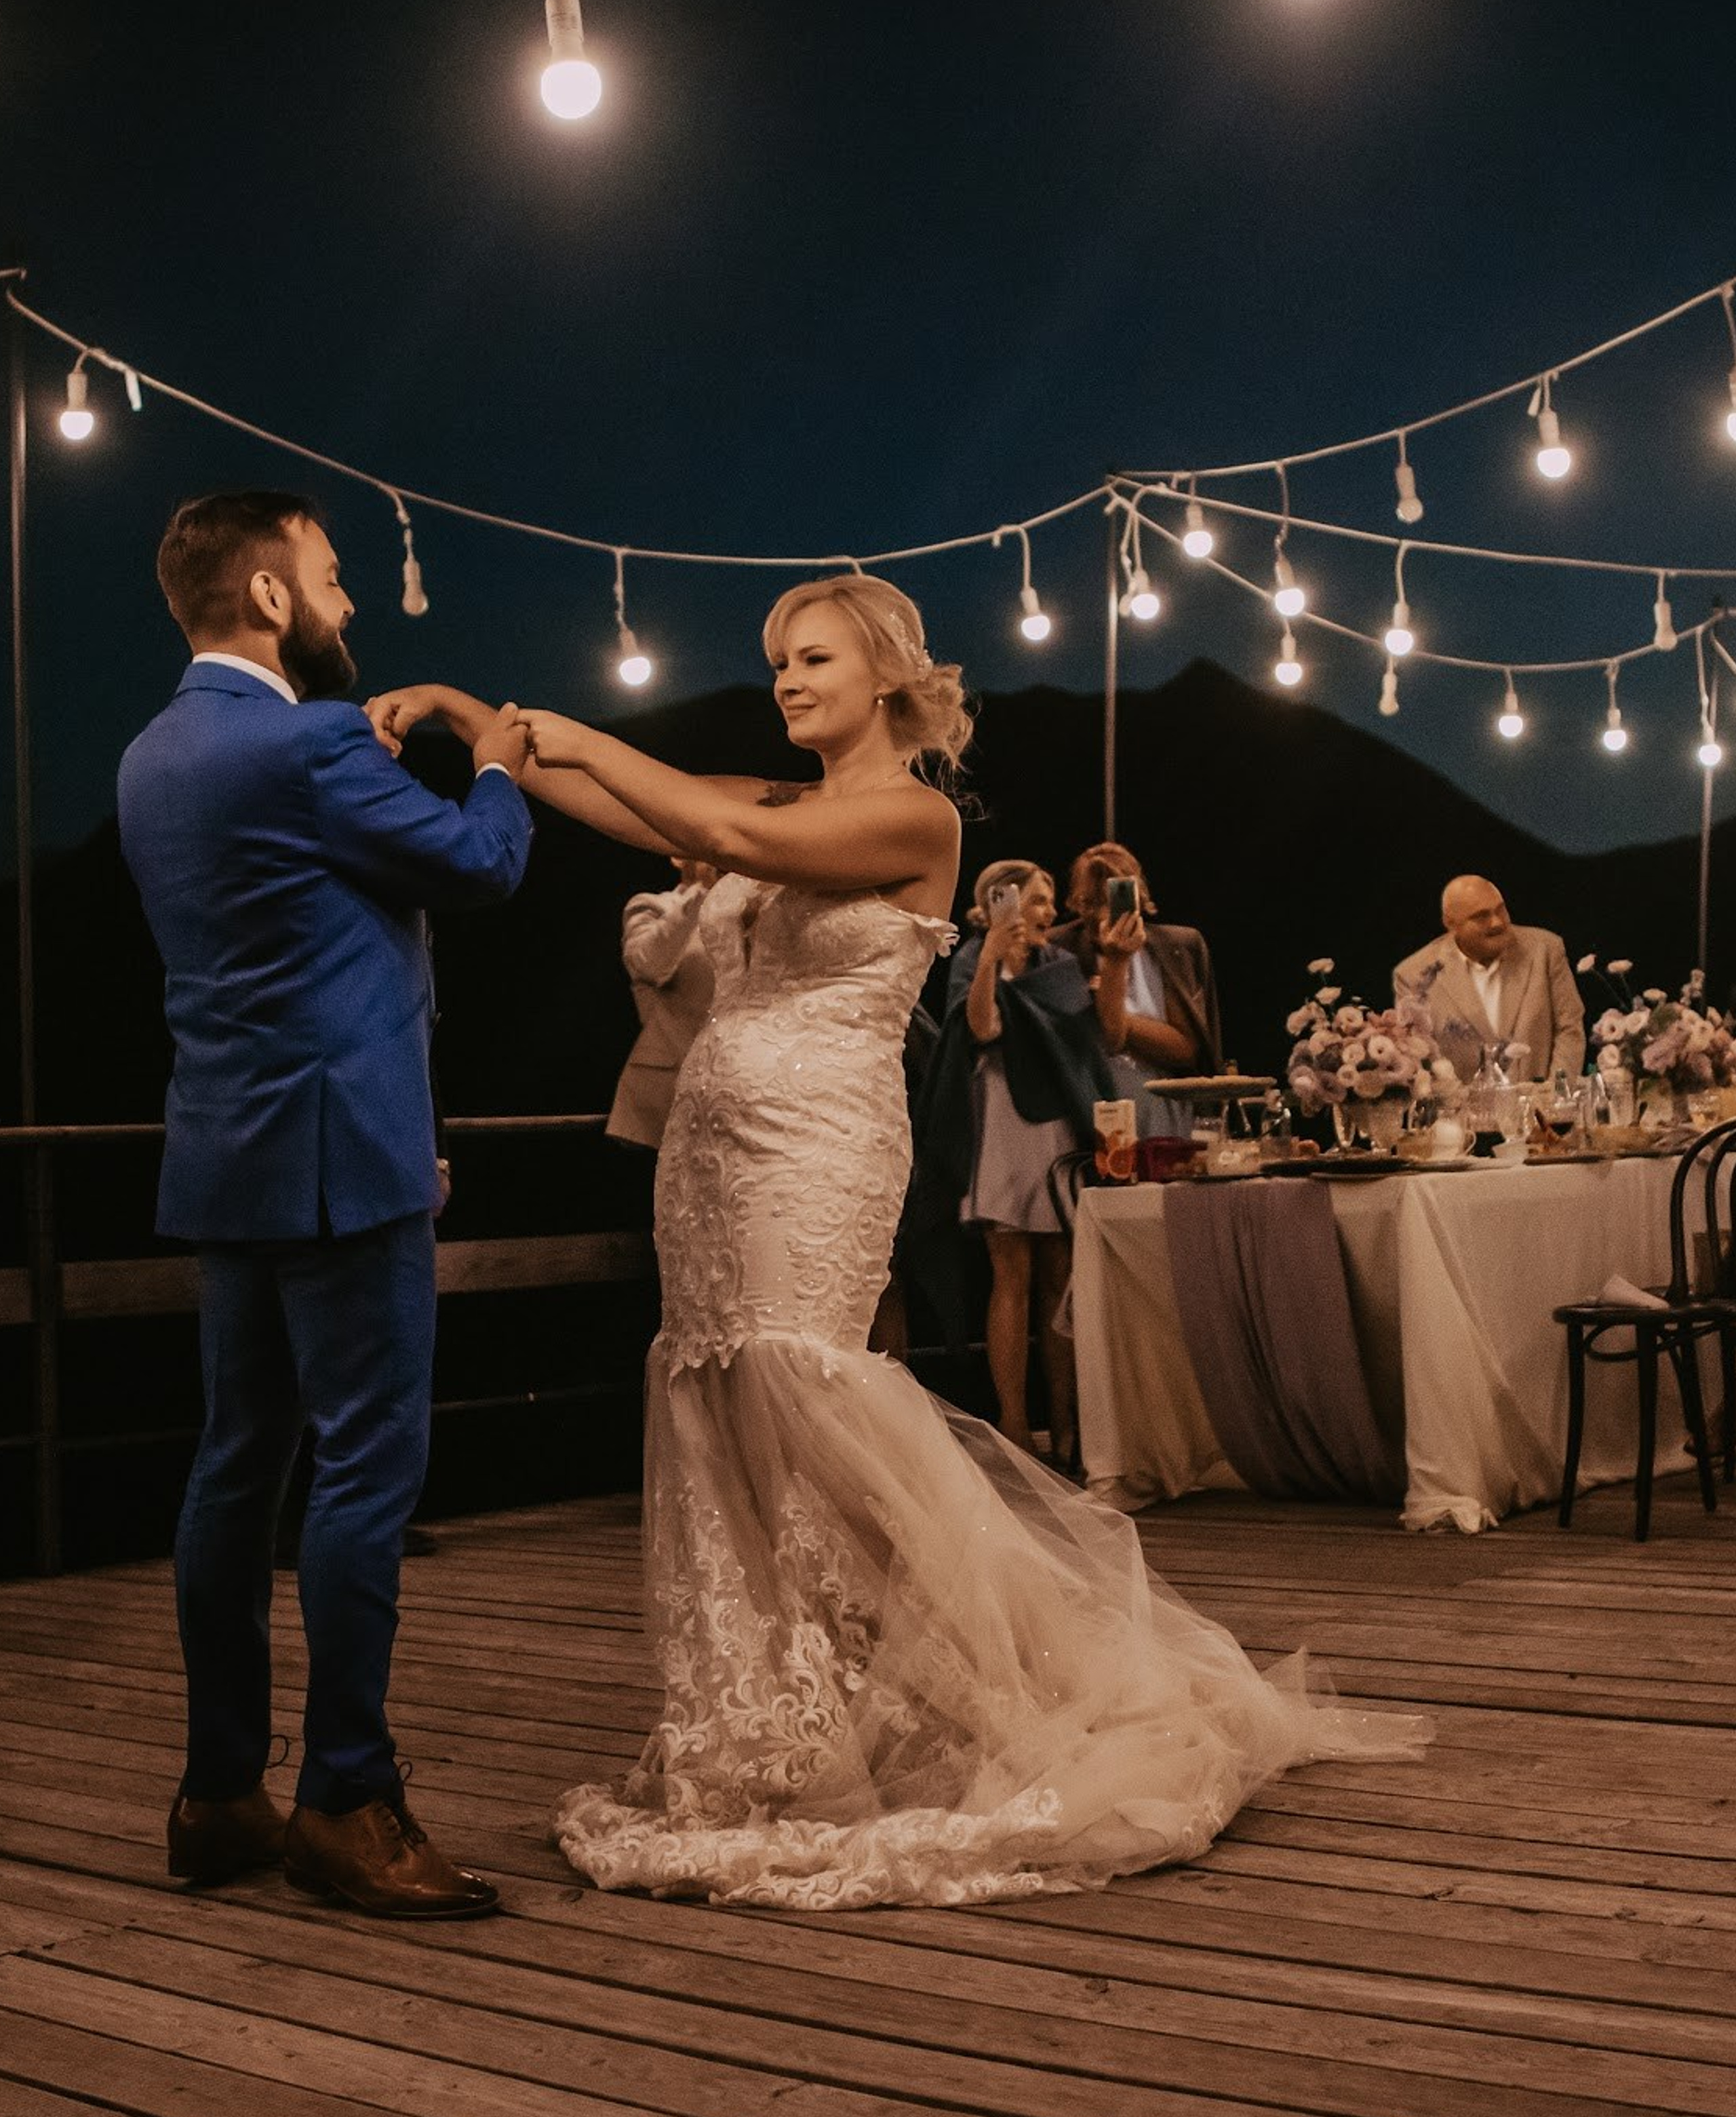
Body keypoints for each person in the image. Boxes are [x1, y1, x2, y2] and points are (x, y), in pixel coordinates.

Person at [369, 572, 1425, 1910]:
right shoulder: (785, 802)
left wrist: (561, 733)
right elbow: (611, 800)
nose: (785, 680)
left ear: (886, 675)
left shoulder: (917, 818)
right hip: (710, 1150)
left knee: (813, 1395)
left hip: (821, 1144)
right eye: (777, 662)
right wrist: (475, 718)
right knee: (721, 1406)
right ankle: (775, 1718)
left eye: (812, 658)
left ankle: (973, 1692)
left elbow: (700, 823)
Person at [117, 490, 532, 1919]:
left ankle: (218, 1792)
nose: (350, 603)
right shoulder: (307, 742)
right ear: (270, 597)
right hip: (344, 1160)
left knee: (236, 1467)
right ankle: (347, 1800)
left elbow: (293, 916)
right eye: (336, 576)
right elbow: (479, 866)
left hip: (223, 1156)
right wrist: (496, 763)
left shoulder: (154, 754)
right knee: (366, 1470)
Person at [934, 859, 1114, 1466]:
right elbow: (981, 1028)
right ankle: (1013, 1421)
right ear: (996, 905)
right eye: (1035, 900)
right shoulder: (971, 960)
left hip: (1055, 1124)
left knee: (1059, 1275)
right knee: (1009, 1271)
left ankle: (1066, 1425)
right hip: (1003, 1120)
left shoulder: (1058, 966)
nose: (1047, 912)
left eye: (1046, 901)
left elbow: (1075, 1045)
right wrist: (991, 959)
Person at [1054, 841, 1222, 1140]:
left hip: (1167, 1107)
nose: (1103, 911)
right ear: (1078, 901)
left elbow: (1187, 1049)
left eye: (1114, 895)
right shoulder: (1059, 949)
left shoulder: (1179, 947)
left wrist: (1111, 1008)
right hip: (1089, 1110)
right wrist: (1115, 966)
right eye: (1093, 900)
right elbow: (1107, 1039)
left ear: (1136, 892)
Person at [1394, 874, 1585, 1087]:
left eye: (1500, 910)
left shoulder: (1545, 950)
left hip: (1543, 1104)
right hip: (1461, 1105)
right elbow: (1421, 1056)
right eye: (1481, 916)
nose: (1497, 922)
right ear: (1451, 923)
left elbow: (1570, 1030)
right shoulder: (1414, 975)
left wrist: (1556, 1094)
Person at [606, 857, 718, 1152]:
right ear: (678, 857)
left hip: (734, 1081)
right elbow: (648, 965)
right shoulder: (651, 906)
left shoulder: (746, 912)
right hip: (667, 1089)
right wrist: (703, 893)